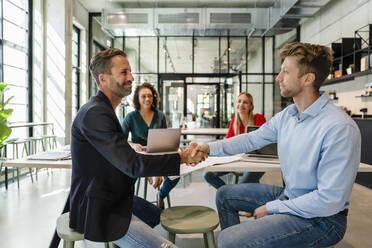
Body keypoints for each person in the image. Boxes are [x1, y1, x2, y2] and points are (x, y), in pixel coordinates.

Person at [191, 42, 361, 247]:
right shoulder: (288, 116)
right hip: (289, 196)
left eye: (286, 72)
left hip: (323, 219)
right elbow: (250, 139)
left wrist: (274, 208)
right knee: (224, 195)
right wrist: (209, 149)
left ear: (308, 79)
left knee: (228, 240)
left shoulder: (338, 128)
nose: (278, 78)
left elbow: (328, 200)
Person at [69, 48, 204, 248]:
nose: (131, 77)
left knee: (156, 215)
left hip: (116, 196)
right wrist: (182, 157)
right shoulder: (96, 113)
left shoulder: (103, 109)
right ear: (103, 78)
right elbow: (132, 165)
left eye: (130, 72)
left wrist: (131, 147)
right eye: (124, 72)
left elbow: (115, 150)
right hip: (100, 208)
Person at [121, 82, 180, 209]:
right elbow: (120, 140)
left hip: (158, 155)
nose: (147, 99)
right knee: (127, 177)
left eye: (150, 96)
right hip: (139, 158)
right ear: (137, 98)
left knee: (176, 173)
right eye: (143, 96)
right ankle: (132, 204)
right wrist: (133, 145)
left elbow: (165, 139)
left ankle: (161, 194)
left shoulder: (160, 116)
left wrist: (158, 171)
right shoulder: (131, 117)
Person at [204, 92, 266, 189]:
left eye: (245, 102)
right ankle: (228, 193)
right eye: (239, 101)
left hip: (257, 159)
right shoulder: (234, 121)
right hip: (238, 159)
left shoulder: (259, 118)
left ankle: (234, 194)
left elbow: (265, 142)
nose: (241, 105)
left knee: (243, 185)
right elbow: (228, 141)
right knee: (208, 175)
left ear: (251, 106)